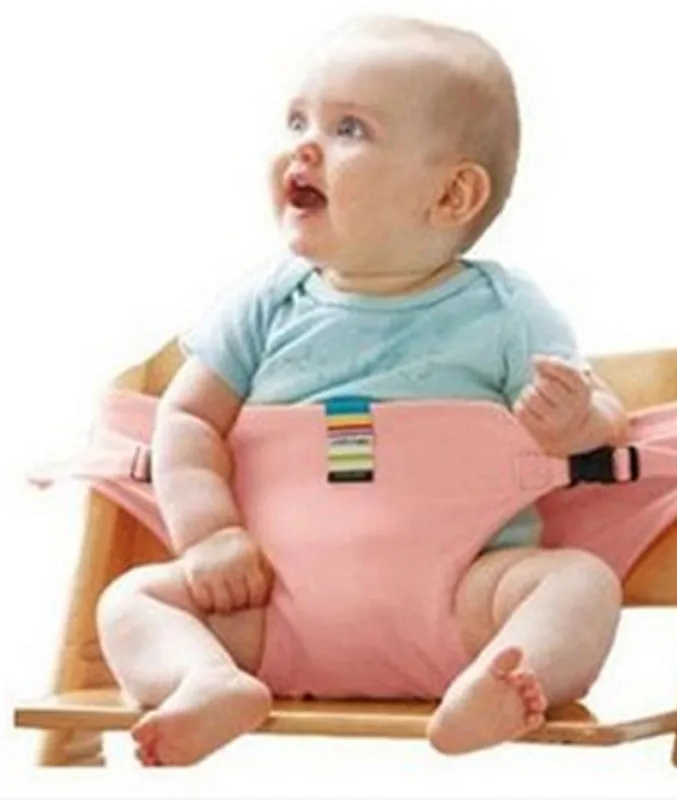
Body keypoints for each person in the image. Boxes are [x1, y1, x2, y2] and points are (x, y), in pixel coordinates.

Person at [96, 14, 629, 766]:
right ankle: (207, 679)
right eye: (297, 120)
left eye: (349, 128)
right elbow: (186, 417)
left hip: (460, 606)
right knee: (131, 602)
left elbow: (603, 417)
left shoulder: (506, 313)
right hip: (268, 610)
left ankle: (503, 684)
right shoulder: (265, 305)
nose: (304, 146)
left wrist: (573, 423)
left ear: (453, 195)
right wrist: (210, 535)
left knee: (582, 585)